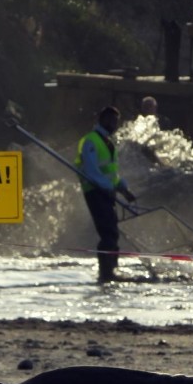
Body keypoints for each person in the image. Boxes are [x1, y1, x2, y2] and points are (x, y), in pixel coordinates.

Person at [75, 106, 136, 283]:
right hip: (94, 191)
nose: (114, 125)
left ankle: (111, 270)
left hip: (105, 191)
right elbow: (92, 171)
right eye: (111, 121)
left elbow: (111, 173)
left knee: (112, 231)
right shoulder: (91, 141)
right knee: (107, 232)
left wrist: (123, 189)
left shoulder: (108, 142)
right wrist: (108, 187)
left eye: (116, 121)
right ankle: (106, 273)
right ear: (103, 120)